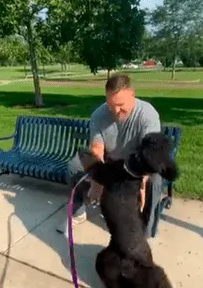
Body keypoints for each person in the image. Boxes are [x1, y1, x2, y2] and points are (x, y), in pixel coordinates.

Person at [57, 74, 163, 237]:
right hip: (110, 161)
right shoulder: (99, 116)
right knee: (74, 166)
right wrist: (97, 178)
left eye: (120, 105)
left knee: (154, 180)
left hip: (136, 163)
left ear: (132, 95)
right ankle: (78, 211)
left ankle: (143, 230)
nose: (115, 111)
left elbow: (149, 153)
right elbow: (96, 150)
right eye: (110, 105)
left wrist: (142, 180)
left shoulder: (147, 115)